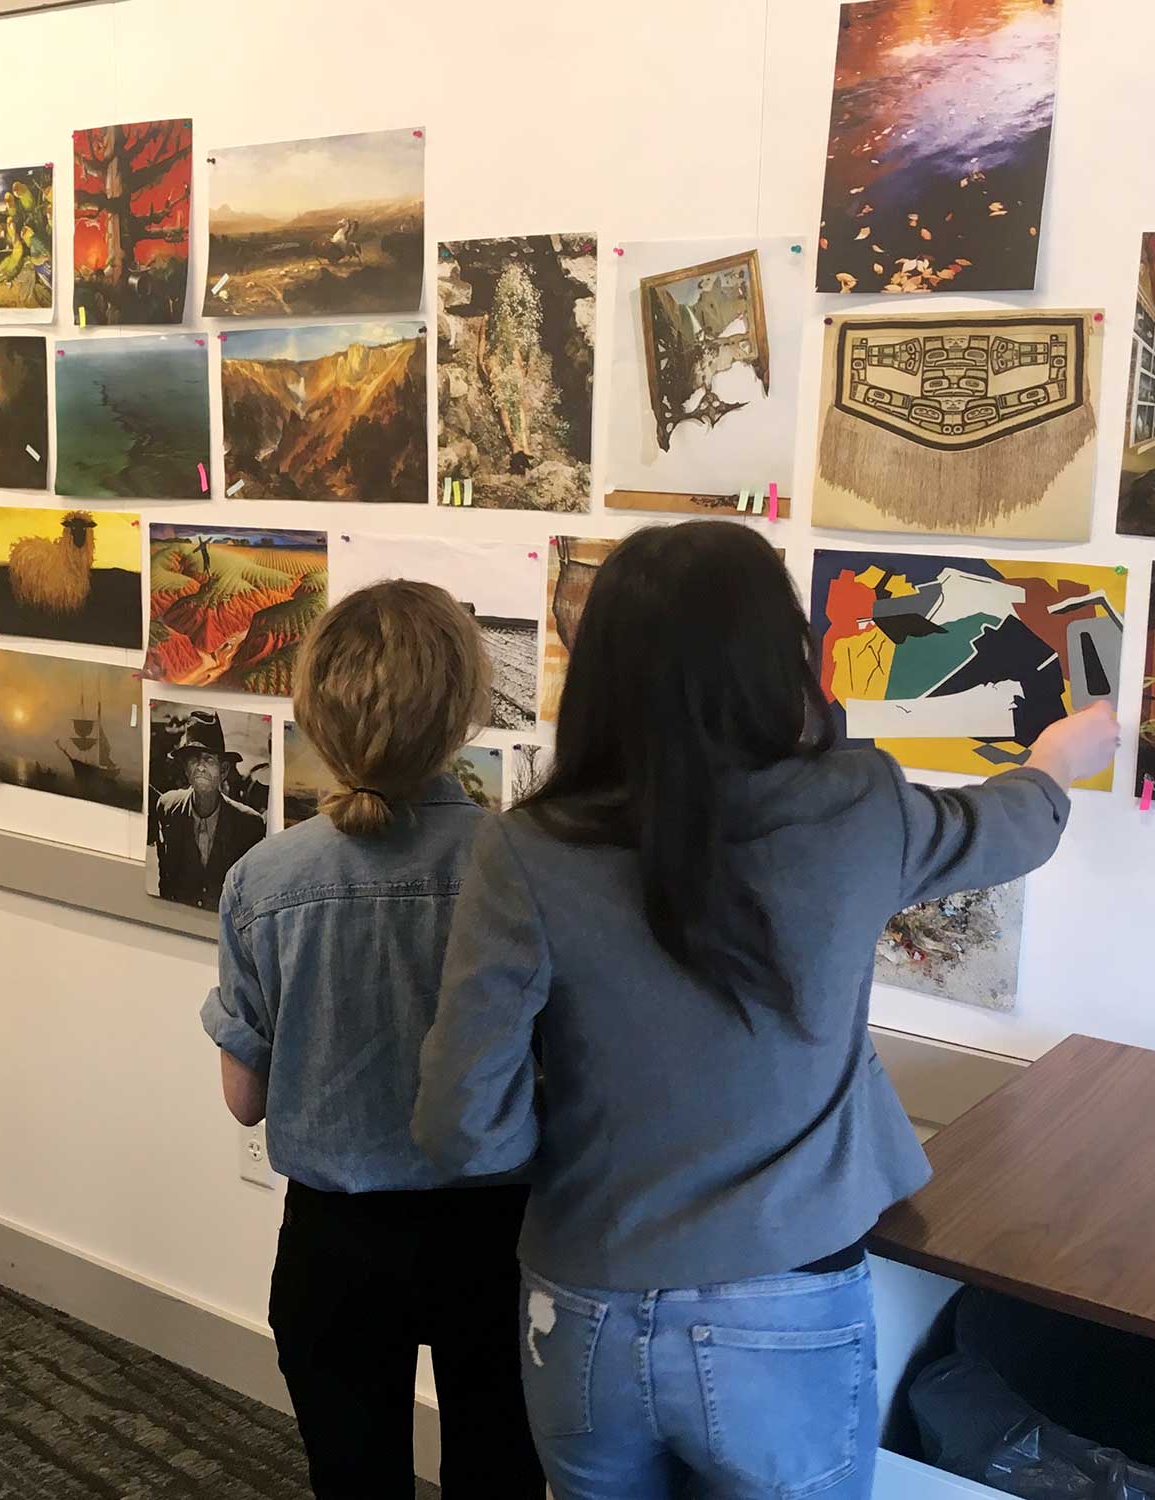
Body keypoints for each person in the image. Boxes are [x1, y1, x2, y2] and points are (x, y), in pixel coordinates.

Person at [413, 522, 1118, 1499]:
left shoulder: (524, 849)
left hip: (583, 1306)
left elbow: (460, 1128)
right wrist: (1054, 762)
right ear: (774, 652)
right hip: (786, 1309)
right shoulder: (856, 807)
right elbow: (1002, 830)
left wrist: (590, 1150)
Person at [201, 580, 543, 1500]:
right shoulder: (529, 868)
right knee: (502, 1474)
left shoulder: (263, 878)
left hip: (337, 1242)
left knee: (354, 1483)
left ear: (315, 708)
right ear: (467, 710)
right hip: (498, 1237)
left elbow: (246, 1098)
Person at [150, 709, 268, 912]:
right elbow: (165, 874)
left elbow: (250, 891)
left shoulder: (249, 824)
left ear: (223, 771)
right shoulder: (167, 806)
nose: (200, 767)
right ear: (185, 769)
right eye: (193, 759)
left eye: (209, 760)